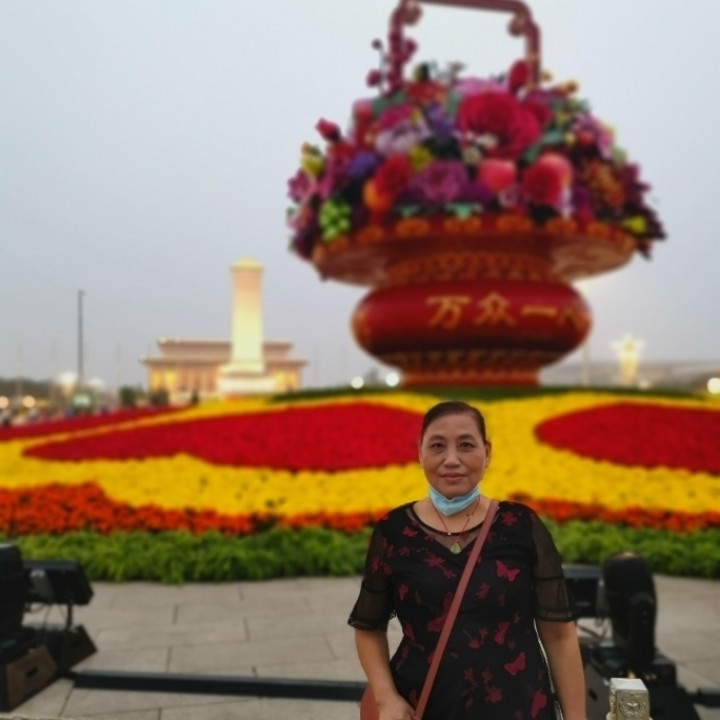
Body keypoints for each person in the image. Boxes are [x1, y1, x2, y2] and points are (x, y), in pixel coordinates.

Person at [349, 400, 586, 720]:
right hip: (425, 705)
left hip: (519, 706)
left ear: (487, 452)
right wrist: (386, 698)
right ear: (420, 453)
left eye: (466, 445)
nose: (451, 459)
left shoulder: (521, 526)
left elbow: (559, 634)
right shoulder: (394, 531)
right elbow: (369, 627)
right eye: (437, 446)